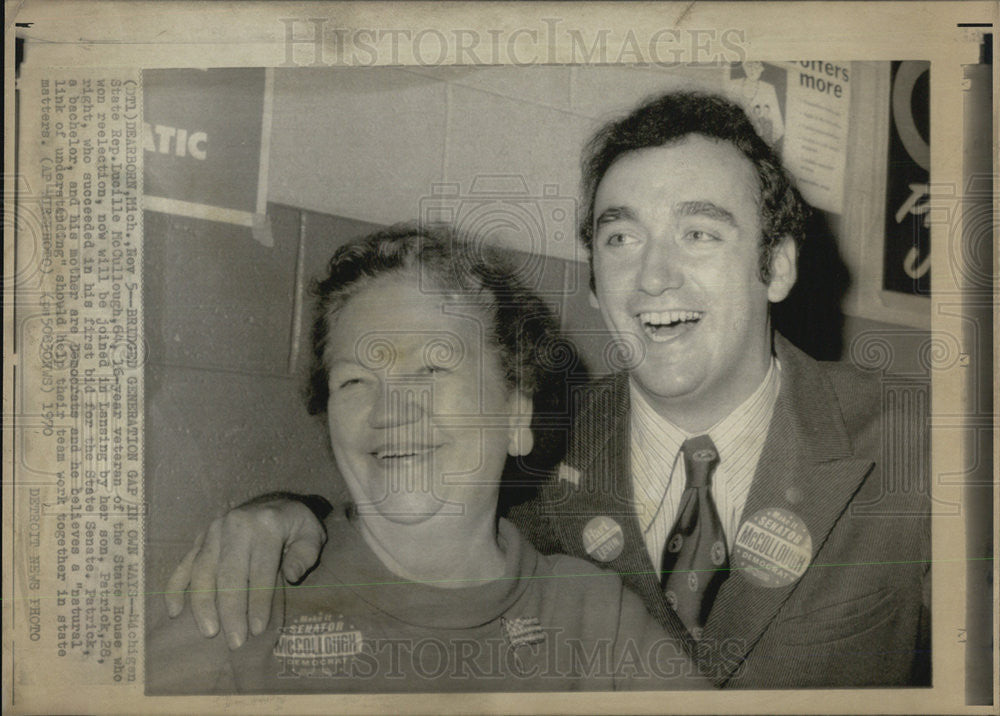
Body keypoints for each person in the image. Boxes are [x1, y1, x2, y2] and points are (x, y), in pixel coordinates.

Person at [165, 91, 931, 689]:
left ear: (779, 267)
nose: (654, 276)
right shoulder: (538, 456)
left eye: (700, 233)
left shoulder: (922, 440)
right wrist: (286, 514)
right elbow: (415, 498)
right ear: (595, 285)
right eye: (620, 238)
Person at [147, 224, 705, 694]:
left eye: (434, 368)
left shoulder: (594, 618)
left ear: (516, 416)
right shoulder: (242, 598)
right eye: (355, 380)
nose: (390, 410)